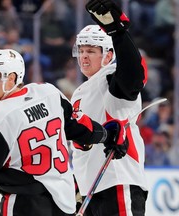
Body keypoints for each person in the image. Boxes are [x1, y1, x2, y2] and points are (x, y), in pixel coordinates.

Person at [0, 48, 128, 216]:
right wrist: (107, 135)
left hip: (24, 205)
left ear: (12, 78)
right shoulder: (48, 92)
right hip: (65, 201)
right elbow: (79, 128)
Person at [70, 0, 149, 215]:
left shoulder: (110, 79)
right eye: (81, 50)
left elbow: (134, 76)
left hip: (118, 182)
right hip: (91, 191)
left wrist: (119, 33)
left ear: (107, 55)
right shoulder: (80, 93)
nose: (84, 56)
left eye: (92, 51)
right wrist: (78, 186)